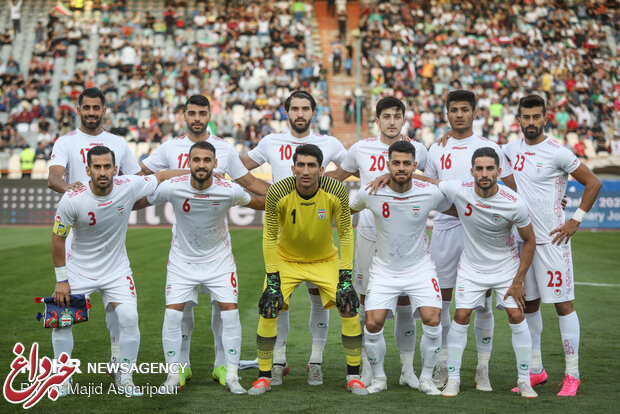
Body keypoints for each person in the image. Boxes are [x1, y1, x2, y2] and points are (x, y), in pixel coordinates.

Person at [139, 94, 269, 388]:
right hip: (183, 247)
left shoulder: (224, 149)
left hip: (217, 246)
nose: (197, 118)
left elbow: (249, 185)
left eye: (202, 113)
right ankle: (179, 369)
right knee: (180, 311)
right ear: (183, 116)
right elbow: (142, 180)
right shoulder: (169, 148)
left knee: (223, 311)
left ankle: (223, 367)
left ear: (210, 115)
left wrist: (290, 191)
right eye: (192, 113)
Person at [51, 145, 182, 397]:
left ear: (115, 169)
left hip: (116, 270)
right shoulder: (72, 198)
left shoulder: (128, 185)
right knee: (62, 322)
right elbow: (58, 239)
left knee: (130, 319)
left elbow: (163, 176)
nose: (103, 172)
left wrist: (199, 173)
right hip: (79, 270)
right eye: (97, 167)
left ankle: (125, 377)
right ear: (87, 170)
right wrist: (61, 281)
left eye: (107, 166)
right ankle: (62, 378)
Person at [240, 91, 347, 386]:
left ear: (314, 112)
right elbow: (239, 168)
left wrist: (323, 185)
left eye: (305, 109)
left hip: (318, 238)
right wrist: (271, 192)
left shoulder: (330, 143)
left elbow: (353, 165)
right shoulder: (271, 142)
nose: (300, 114)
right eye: (295, 109)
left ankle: (316, 360)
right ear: (286, 112)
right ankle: (278, 360)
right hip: (283, 239)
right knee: (279, 302)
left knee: (319, 299)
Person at [503, 94, 602, 396]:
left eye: (536, 117)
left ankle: (572, 374)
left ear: (545, 118)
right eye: (525, 117)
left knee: (562, 305)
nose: (530, 122)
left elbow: (593, 182)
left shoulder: (557, 153)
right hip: (522, 243)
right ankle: (536, 371)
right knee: (528, 305)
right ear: (518, 119)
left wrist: (576, 219)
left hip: (552, 241)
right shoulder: (508, 149)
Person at [247, 144, 366, 395]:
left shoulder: (336, 190)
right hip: (286, 260)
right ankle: (264, 376)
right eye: (300, 165)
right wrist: (272, 276)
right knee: (269, 307)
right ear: (292, 168)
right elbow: (269, 236)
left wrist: (345, 275)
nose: (305, 170)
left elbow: (345, 233)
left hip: (324, 260)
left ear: (322, 169)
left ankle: (354, 377)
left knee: (349, 306)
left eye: (312, 165)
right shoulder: (278, 191)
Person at [328, 97, 427, 387]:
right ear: (378, 120)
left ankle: (407, 369)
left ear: (404, 120)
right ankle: (369, 367)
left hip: (407, 237)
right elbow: (338, 176)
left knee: (406, 301)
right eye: (387, 116)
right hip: (369, 235)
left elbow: (436, 180)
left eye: (398, 116)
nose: (392, 121)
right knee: (364, 300)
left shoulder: (418, 149)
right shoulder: (360, 148)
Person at [423, 90, 516, 390]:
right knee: (443, 301)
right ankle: (444, 365)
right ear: (446, 113)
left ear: (476, 113)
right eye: (454, 109)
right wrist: (462, 211)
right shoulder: (436, 149)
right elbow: (429, 191)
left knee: (482, 304)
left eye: (465, 109)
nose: (459, 114)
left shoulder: (490, 147)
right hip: (446, 230)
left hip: (482, 234)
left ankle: (482, 368)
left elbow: (512, 190)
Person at [427, 147, 537, 398]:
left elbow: (529, 240)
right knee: (462, 314)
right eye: (479, 169)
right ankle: (453, 379)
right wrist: (389, 177)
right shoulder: (460, 189)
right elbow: (428, 181)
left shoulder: (514, 202)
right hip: (471, 266)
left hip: (505, 266)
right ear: (472, 171)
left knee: (516, 314)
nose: (484, 173)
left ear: (499, 171)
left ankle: (524, 381)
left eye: (489, 169)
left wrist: (519, 280)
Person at [48, 88, 141, 381]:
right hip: (78, 235)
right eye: (86, 107)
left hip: (112, 242)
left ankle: (119, 365)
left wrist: (118, 204)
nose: (91, 112)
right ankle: (62, 376)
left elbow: (136, 181)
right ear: (78, 109)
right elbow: (53, 176)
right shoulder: (66, 142)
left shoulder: (118, 143)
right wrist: (73, 192)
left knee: (122, 313)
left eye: (96, 107)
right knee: (62, 318)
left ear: (104, 110)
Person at [350, 141, 451, 395]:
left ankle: (425, 378)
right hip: (384, 268)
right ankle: (380, 378)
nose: (401, 167)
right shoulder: (371, 192)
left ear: (415, 166)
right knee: (372, 324)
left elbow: (460, 205)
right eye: (396, 163)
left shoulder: (429, 192)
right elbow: (342, 211)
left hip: (419, 267)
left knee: (433, 319)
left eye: (407, 163)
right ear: (387, 164)